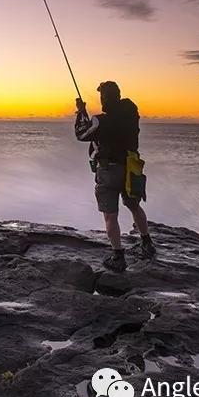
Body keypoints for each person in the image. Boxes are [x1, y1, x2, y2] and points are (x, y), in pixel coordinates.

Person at [74, 81, 154, 272]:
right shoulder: (131, 113)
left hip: (109, 171)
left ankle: (118, 256)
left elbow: (82, 134)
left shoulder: (101, 121)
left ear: (104, 99)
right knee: (134, 205)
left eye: (102, 96)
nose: (101, 99)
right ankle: (147, 243)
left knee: (110, 214)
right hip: (131, 168)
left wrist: (80, 113)